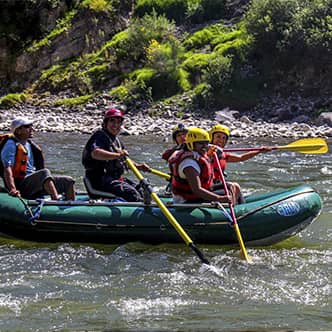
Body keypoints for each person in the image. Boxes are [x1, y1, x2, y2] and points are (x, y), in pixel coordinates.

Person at [82, 108, 151, 202]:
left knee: (142, 189)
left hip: (113, 180)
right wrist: (118, 155)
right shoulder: (99, 137)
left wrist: (139, 167)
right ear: (105, 123)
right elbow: (95, 153)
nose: (116, 125)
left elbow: (124, 162)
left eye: (119, 122)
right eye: (112, 121)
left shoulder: (117, 141)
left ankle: (148, 207)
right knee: (131, 193)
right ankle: (139, 212)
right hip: (98, 182)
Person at [0, 117, 75, 200]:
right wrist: (12, 189)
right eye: (27, 127)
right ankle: (55, 199)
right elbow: (7, 168)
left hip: (34, 182)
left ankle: (69, 206)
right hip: (21, 184)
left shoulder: (29, 144)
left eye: (31, 126)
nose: (32, 129)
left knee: (68, 181)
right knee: (44, 172)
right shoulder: (10, 145)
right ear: (18, 131)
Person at [208, 124, 272, 204]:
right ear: (211, 137)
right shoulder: (206, 152)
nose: (221, 140)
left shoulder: (223, 155)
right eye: (218, 137)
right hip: (209, 187)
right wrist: (210, 150)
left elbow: (241, 157)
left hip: (217, 184)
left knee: (235, 187)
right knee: (235, 186)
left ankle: (241, 205)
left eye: (224, 138)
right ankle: (235, 209)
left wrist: (259, 151)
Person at [168, 126, 231, 204]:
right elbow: (197, 190)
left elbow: (217, 150)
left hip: (197, 194)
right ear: (191, 144)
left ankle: (236, 208)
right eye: (201, 143)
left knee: (231, 187)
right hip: (187, 200)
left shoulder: (198, 154)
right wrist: (219, 198)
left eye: (206, 143)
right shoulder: (189, 164)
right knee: (229, 192)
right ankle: (235, 212)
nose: (205, 146)